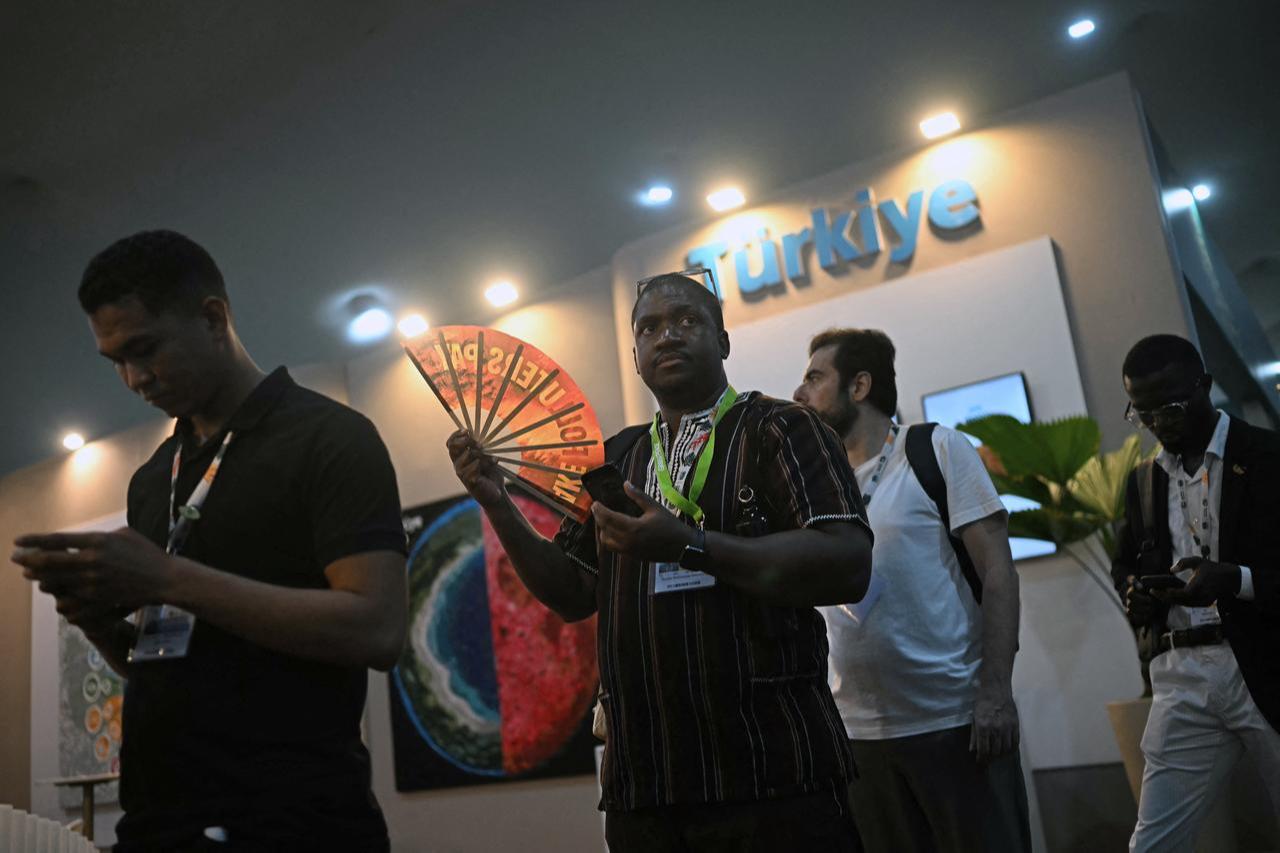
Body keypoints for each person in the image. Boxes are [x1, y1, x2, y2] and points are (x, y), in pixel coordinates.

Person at [447, 271, 873, 852]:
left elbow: (846, 562)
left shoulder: (783, 429)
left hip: (774, 771)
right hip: (647, 787)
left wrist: (688, 546)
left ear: (723, 341)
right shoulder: (615, 459)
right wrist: (497, 504)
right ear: (636, 356)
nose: (667, 335)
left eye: (687, 321)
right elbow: (572, 593)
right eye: (649, 328)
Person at [13, 230, 409, 852]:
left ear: (213, 317)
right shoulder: (153, 481)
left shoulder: (331, 438)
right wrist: (97, 622)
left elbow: (378, 628)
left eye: (144, 350)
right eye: (114, 360)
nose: (133, 378)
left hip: (296, 824)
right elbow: (168, 664)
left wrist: (166, 579)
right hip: (157, 824)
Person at [792, 328, 1030, 853]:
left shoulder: (937, 449)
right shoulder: (814, 488)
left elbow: (998, 574)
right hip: (858, 738)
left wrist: (995, 693)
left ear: (858, 386)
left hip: (955, 723)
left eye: (814, 377)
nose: (799, 393)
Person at [1111, 333, 1280, 851]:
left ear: (1205, 385)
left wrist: (1236, 580)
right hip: (1182, 675)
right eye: (1144, 413)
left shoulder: (1268, 456)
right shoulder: (1143, 482)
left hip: (1264, 662)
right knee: (1153, 844)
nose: (1160, 423)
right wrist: (1136, 596)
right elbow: (1126, 569)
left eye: (1172, 407)